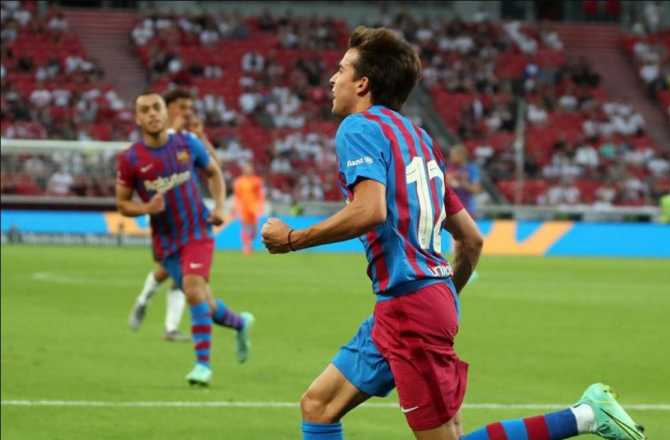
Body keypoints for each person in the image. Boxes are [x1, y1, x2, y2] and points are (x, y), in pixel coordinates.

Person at [260, 26, 645, 440]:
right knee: (318, 406)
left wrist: (293, 239)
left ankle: (585, 415)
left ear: (363, 83)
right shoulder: (420, 139)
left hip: (411, 309)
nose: (332, 79)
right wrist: (443, 294)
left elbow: (369, 211)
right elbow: (471, 239)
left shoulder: (358, 129)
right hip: (407, 305)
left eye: (341, 70)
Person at [116, 92, 254, 386]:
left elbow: (214, 172)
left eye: (157, 108)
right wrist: (145, 208)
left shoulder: (186, 143)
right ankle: (241, 323)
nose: (152, 114)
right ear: (138, 118)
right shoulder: (130, 159)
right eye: (145, 110)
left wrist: (218, 206)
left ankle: (202, 366)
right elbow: (123, 204)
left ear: (165, 113)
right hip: (166, 243)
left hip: (197, 232)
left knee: (192, 290)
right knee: (204, 299)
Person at [128, 88, 221, 340]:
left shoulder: (188, 136)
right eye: (182, 107)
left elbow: (215, 167)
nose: (187, 112)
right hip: (164, 213)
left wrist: (202, 137)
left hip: (190, 214)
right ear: (166, 108)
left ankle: (170, 327)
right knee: (168, 270)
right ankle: (144, 299)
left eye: (190, 108)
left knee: (186, 274)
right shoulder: (158, 133)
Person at [233, 162, 265, 255]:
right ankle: (247, 246)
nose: (248, 170)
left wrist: (260, 206)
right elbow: (237, 196)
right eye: (246, 169)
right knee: (245, 228)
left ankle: (248, 243)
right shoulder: (239, 182)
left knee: (254, 231)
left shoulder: (257, 181)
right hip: (244, 208)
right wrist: (237, 207)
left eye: (249, 169)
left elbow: (260, 195)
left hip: (254, 208)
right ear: (243, 170)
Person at [444, 144, 482, 218]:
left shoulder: (471, 169)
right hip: (449, 210)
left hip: (467, 210)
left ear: (462, 155)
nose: (451, 157)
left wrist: (462, 183)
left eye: (453, 154)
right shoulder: (447, 168)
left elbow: (476, 189)